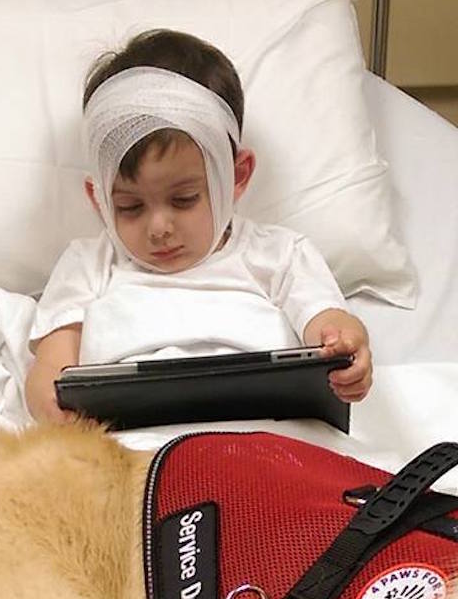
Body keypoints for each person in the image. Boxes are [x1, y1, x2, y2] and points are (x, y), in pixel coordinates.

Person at [25, 28, 373, 424]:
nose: (159, 227)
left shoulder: (279, 254)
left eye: (184, 199)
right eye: (130, 206)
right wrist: (53, 410)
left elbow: (326, 324)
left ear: (236, 177)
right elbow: (52, 365)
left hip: (261, 432)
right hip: (128, 443)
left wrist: (345, 346)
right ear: (99, 201)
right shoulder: (89, 263)